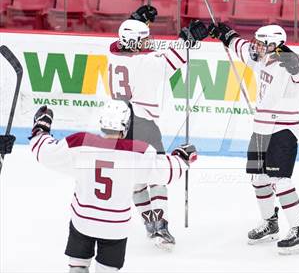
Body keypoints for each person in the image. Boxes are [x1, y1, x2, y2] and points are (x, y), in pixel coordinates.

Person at [29, 102, 197, 272]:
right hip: (115, 227)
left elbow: (44, 152)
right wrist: (182, 158)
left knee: (77, 268)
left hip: (83, 222)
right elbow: (166, 172)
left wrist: (41, 127)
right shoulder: (138, 152)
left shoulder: (80, 143)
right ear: (126, 125)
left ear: (102, 122)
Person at [108, 5, 207, 250]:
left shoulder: (112, 52)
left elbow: (125, 41)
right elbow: (172, 60)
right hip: (143, 124)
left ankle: (149, 223)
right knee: (158, 172)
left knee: (137, 177)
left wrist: (135, 20)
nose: (150, 42)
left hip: (119, 124)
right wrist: (187, 39)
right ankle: (160, 225)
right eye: (146, 38)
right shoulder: (148, 61)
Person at [208, 22, 299, 254]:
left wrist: (294, 64)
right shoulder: (260, 56)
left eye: (262, 42)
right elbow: (242, 47)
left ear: (275, 44)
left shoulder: (292, 60)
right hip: (260, 129)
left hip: (282, 131)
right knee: (258, 178)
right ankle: (270, 223)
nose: (257, 46)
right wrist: (227, 35)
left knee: (281, 180)